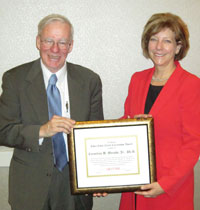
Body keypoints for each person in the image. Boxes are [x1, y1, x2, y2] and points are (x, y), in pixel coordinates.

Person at [0, 14, 104, 210]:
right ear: (38, 41)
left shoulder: (90, 81)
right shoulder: (15, 79)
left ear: (70, 46)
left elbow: (96, 134)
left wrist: (98, 177)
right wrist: (41, 130)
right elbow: (3, 130)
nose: (55, 49)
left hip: (75, 188)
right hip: (30, 186)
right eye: (49, 40)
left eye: (62, 42)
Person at [119, 12, 200, 210]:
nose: (159, 47)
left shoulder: (191, 85)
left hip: (170, 189)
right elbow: (124, 123)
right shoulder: (137, 79)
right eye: (154, 39)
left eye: (167, 41)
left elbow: (193, 143)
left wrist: (166, 184)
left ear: (178, 46)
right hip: (134, 184)